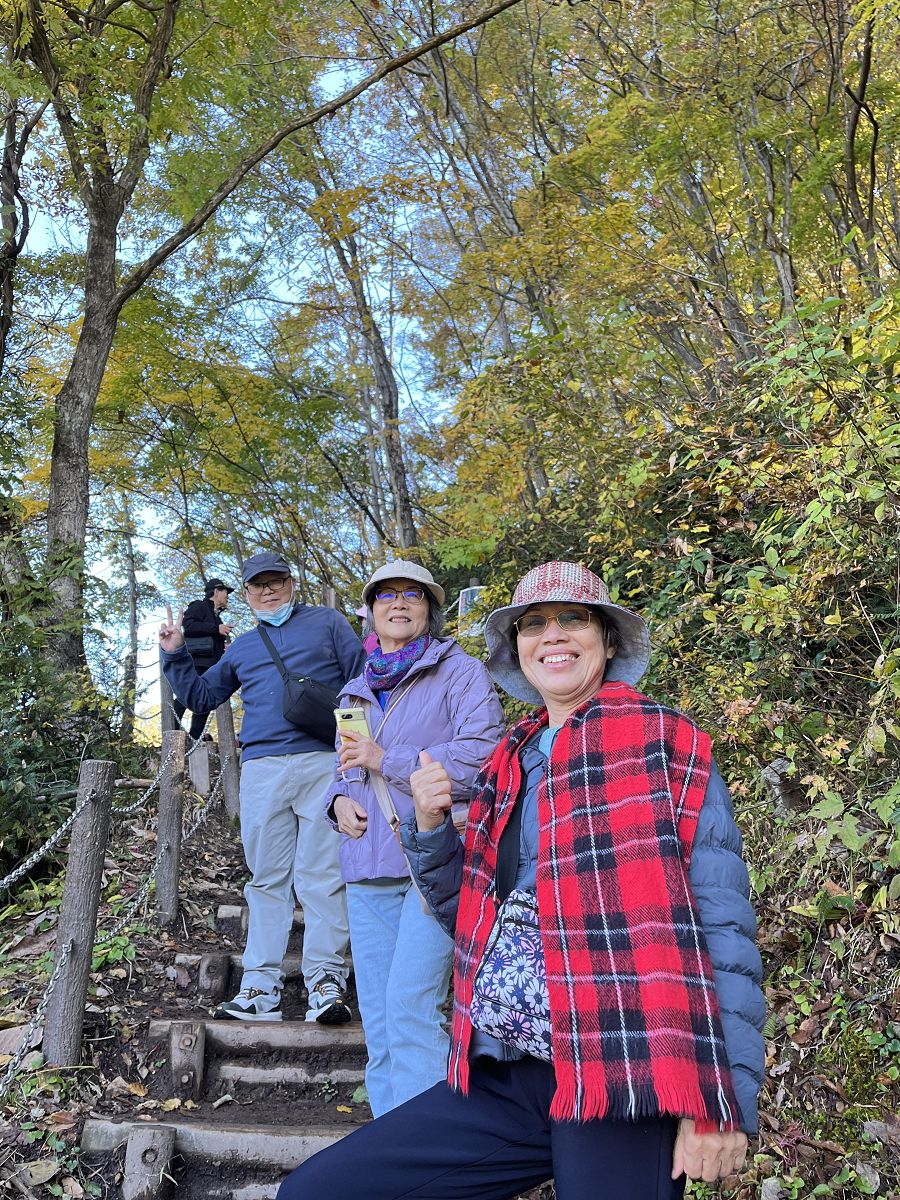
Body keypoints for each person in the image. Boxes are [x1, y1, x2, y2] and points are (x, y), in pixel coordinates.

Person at [276, 561, 765, 1199]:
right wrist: (430, 829)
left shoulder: (666, 742)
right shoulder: (513, 759)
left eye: (573, 620)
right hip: (512, 1066)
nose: (553, 636)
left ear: (607, 642)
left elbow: (723, 927)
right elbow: (470, 917)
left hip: (625, 1066)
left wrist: (722, 1103)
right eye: (534, 625)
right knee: (321, 1191)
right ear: (518, 651)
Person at [325, 560, 505, 1116]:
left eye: (413, 595)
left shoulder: (460, 673)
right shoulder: (355, 690)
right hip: (367, 867)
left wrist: (389, 759)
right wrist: (337, 803)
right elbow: (346, 769)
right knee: (378, 1018)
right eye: (386, 595)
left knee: (410, 1005)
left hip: (436, 859)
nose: (398, 603)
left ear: (429, 610)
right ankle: (392, 1152)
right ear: (371, 610)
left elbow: (484, 757)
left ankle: (434, 1153)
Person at [159, 552, 366, 1024]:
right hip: (261, 768)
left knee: (321, 874)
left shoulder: (329, 623)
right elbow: (201, 697)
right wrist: (175, 654)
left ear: (292, 583)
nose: (267, 591)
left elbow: (361, 681)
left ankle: (326, 981)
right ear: (247, 595)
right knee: (267, 878)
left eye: (275, 582)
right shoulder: (244, 647)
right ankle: (260, 988)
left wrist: (360, 752)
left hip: (322, 760)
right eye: (257, 586)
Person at [172, 577, 235, 740]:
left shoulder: (218, 618)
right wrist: (216, 628)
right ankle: (172, 732)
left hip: (213, 665)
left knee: (205, 701)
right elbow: (189, 626)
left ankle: (195, 739)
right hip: (198, 661)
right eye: (225, 592)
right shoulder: (198, 606)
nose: (227, 596)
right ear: (216, 591)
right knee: (186, 695)